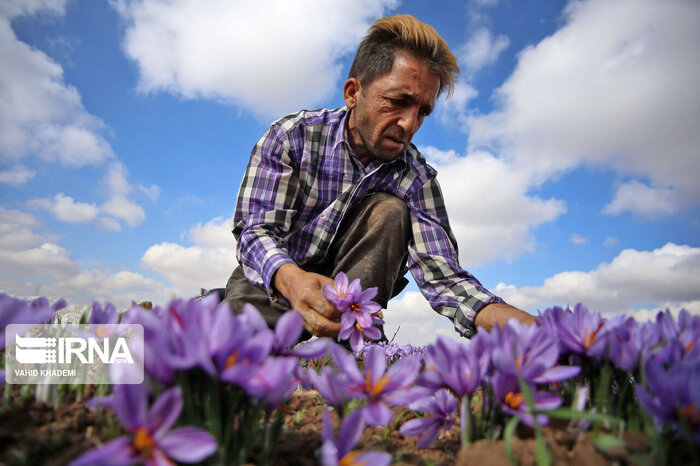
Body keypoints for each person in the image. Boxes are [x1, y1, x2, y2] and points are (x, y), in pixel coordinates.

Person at [224, 14, 534, 341]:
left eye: (423, 111)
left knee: (389, 209)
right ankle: (221, 305)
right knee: (240, 354)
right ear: (353, 92)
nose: (409, 124)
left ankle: (349, 349)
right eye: (398, 101)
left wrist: (532, 330)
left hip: (354, 307)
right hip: (277, 278)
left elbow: (445, 278)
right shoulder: (293, 137)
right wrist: (295, 281)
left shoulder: (416, 179)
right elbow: (256, 230)